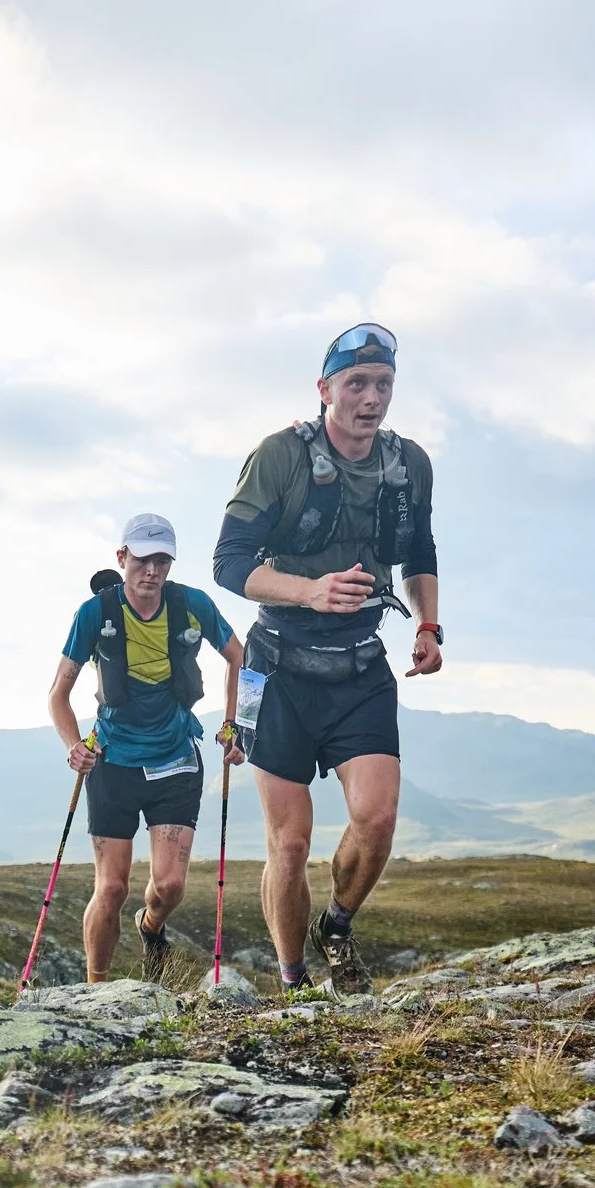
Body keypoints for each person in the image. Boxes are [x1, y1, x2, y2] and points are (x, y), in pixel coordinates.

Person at [212, 323, 441, 993]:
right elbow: (228, 563)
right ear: (325, 389)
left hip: (361, 663)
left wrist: (429, 622)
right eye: (356, 383)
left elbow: (419, 550)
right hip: (273, 665)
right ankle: (292, 980)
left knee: (376, 818)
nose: (371, 398)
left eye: (383, 384)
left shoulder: (409, 464)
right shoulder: (278, 456)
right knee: (289, 841)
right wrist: (310, 590)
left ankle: (336, 925)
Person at [49, 513, 245, 981]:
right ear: (122, 559)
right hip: (112, 760)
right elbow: (59, 693)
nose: (151, 571)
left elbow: (239, 656)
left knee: (171, 884)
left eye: (162, 560)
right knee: (112, 887)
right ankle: (96, 990)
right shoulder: (94, 613)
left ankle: (151, 924)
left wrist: (236, 724)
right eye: (141, 559)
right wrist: (73, 745)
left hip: (176, 758)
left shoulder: (193, 605)